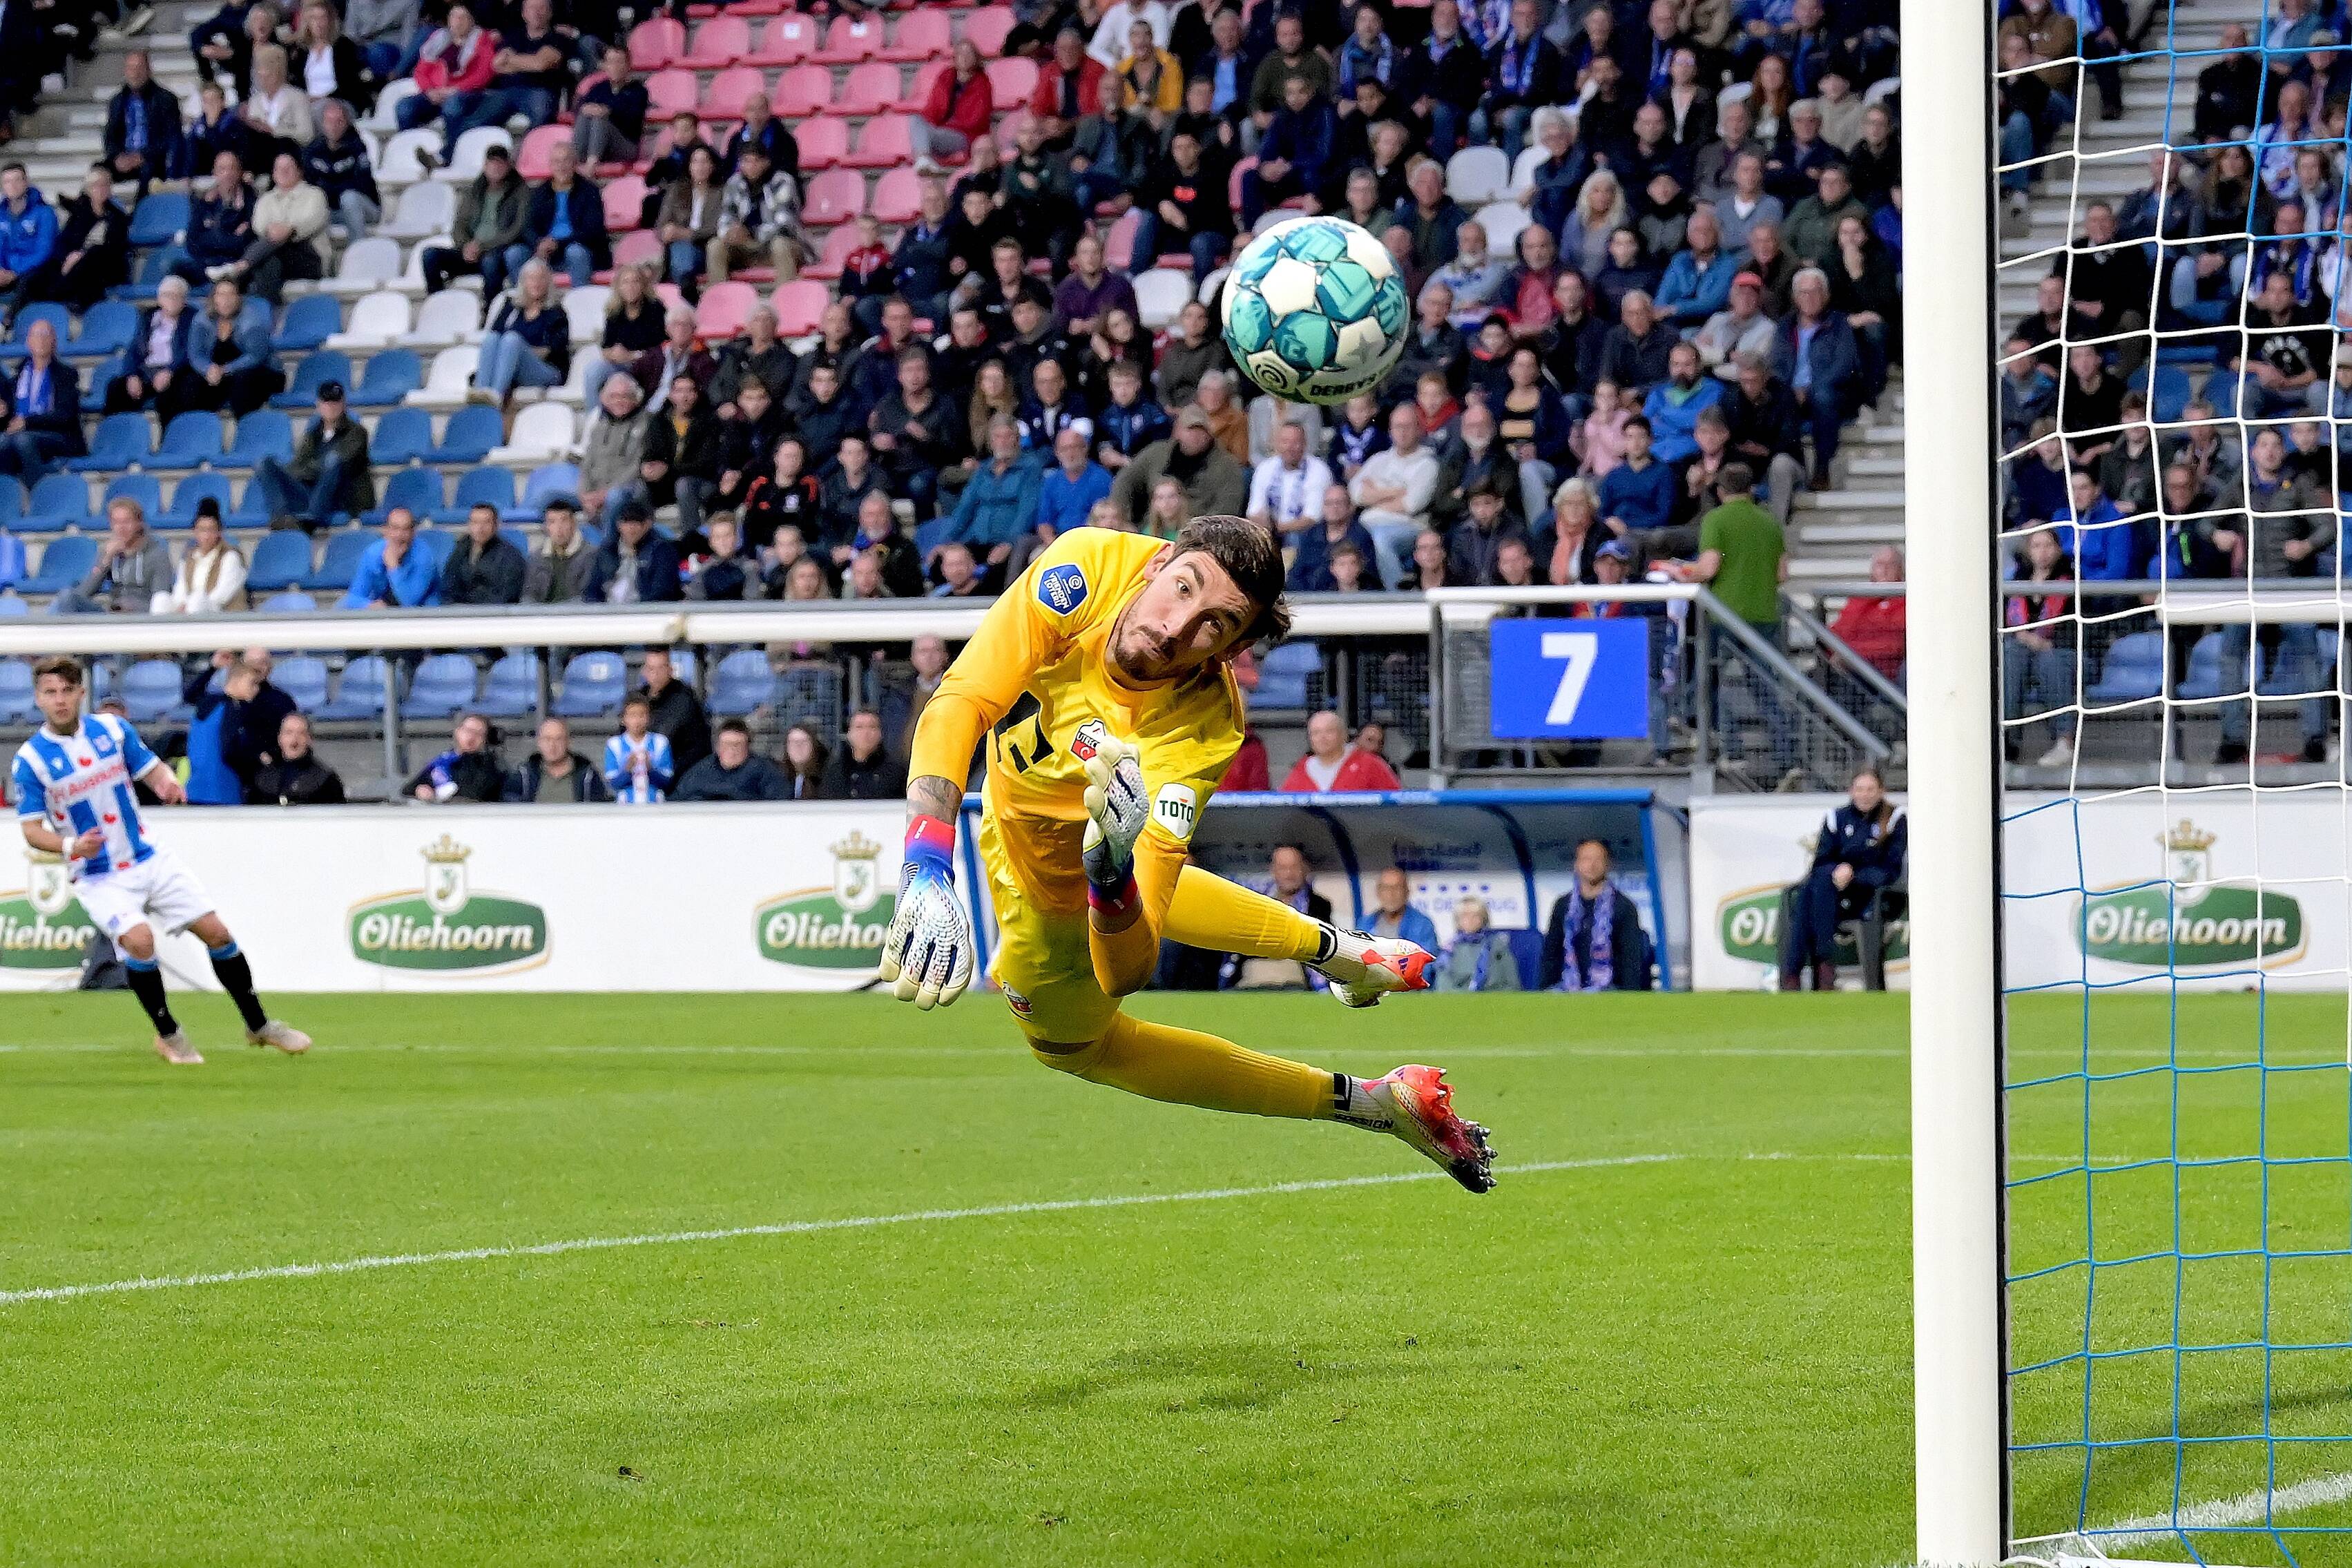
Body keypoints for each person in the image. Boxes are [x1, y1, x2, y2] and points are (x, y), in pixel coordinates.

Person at [878, 519, 1492, 1190]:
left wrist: (1110, 875)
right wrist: (926, 860)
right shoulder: (1085, 569)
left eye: (1213, 626)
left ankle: (1373, 1101)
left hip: (1054, 893)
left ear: (1227, 654)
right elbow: (963, 700)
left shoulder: (1203, 730)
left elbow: (1126, 968)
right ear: (1158, 562)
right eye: (1182, 588)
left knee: (1077, 1048)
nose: (1175, 628)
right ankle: (1347, 952)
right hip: (1006, 810)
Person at [15, 657, 311, 1064]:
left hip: (147, 856)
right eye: (51, 692)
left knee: (218, 934)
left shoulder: (112, 729)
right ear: (38, 698)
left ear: (82, 693)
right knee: (140, 941)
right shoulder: (30, 760)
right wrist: (70, 848)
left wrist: (168, 784)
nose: (60, 700)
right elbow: (31, 829)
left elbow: (150, 771)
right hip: (99, 875)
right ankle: (169, 1034)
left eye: (68, 691)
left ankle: (259, 1026)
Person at [1781, 765, 1907, 992]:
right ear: (1851, 791)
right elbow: (1821, 861)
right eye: (1860, 789)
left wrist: (1852, 874)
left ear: (1881, 792)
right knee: (1817, 885)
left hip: (1873, 896)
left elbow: (1891, 869)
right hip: (1833, 893)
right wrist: (1837, 871)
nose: (1865, 795)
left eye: (1870, 790)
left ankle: (1797, 972)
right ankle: (1822, 965)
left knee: (1812, 893)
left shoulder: (1894, 819)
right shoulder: (1837, 817)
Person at [255, 377, 372, 530]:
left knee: (333, 461)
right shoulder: (313, 434)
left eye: (335, 402)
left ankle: (312, 519)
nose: (331, 406)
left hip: (343, 498)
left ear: (344, 404)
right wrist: (311, 470)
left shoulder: (357, 432)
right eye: (326, 402)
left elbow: (341, 461)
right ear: (319, 405)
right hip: (311, 494)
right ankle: (281, 517)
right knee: (265, 464)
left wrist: (310, 470)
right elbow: (296, 467)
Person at [421, 142, 528, 296]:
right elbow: (459, 225)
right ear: (485, 166)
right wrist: (465, 246)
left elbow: (516, 230)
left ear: (509, 166)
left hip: (497, 252)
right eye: (492, 163)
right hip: (470, 251)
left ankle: (490, 309)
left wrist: (482, 247)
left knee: (490, 262)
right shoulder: (474, 190)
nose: (496, 167)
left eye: (501, 163)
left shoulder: (520, 192)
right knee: (430, 254)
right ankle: (436, 301)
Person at [1539, 839, 1648, 991]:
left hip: (1610, 991)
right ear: (1576, 865)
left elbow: (1631, 961)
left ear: (1608, 865)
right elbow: (1551, 955)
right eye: (1586, 859)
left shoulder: (1624, 907)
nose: (1592, 865)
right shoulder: (1563, 905)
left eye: (1598, 859)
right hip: (1567, 989)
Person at [474, 258, 570, 403]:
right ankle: (481, 393)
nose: (536, 284)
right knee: (491, 338)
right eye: (532, 279)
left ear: (548, 283)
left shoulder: (556, 313)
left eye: (541, 279)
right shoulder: (510, 307)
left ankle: (496, 397)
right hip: (511, 368)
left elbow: (553, 350)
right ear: (523, 282)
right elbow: (496, 338)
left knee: (512, 339)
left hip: (546, 370)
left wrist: (519, 351)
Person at [0, 319, 85, 480]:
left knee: (23, 440)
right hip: (23, 434)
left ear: (54, 341)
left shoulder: (66, 375)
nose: (41, 340)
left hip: (58, 436)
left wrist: (27, 423)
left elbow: (65, 415)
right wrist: (4, 412)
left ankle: (37, 491)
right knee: (4, 442)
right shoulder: (18, 377)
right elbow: (12, 415)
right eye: (36, 335)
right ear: (28, 342)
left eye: (45, 335)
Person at [55, 498, 171, 614]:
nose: (121, 528)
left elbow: (161, 601)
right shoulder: (110, 551)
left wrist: (130, 606)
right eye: (116, 522)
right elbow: (84, 592)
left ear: (139, 523)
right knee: (67, 597)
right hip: (112, 613)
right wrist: (106, 560)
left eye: (126, 522)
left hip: (143, 614)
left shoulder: (157, 554)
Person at [106, 273, 195, 414]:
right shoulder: (148, 317)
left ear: (184, 301)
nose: (171, 300)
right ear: (159, 299)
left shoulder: (192, 319)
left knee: (171, 395)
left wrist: (170, 371)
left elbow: (190, 351)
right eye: (166, 295)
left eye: (176, 296)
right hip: (146, 371)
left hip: (175, 372)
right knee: (117, 388)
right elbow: (133, 349)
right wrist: (132, 375)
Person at [105, 50, 182, 195]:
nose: (135, 73)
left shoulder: (166, 100)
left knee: (149, 171)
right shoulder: (117, 102)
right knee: (98, 171)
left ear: (148, 70)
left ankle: (139, 212)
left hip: (151, 160)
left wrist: (143, 156)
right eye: (131, 68)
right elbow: (110, 137)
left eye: (139, 68)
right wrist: (117, 157)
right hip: (124, 160)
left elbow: (171, 138)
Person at [340, 506, 442, 608]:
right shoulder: (373, 553)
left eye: (405, 529)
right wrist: (369, 605)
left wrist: (393, 566)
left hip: (424, 614)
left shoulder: (425, 556)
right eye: (395, 528)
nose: (399, 535)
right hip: (384, 613)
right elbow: (353, 597)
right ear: (386, 531)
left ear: (413, 533)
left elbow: (409, 602)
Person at [1282, 709, 1402, 792]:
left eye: (1329, 731)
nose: (1322, 738)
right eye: (1316, 733)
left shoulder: (1370, 764)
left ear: (1343, 735)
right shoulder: (1302, 768)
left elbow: (1397, 805)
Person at [151, 510, 247, 612]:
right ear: (195, 532)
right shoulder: (189, 558)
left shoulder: (230, 557)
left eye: (211, 530)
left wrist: (194, 603)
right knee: (160, 599)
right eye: (202, 530)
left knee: (197, 600)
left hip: (221, 610)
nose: (206, 536)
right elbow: (180, 589)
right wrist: (182, 604)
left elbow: (222, 595)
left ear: (219, 533)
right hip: (190, 607)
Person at [633, 647, 710, 775]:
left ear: (670, 670)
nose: (656, 675)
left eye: (661, 668)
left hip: (679, 774)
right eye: (651, 669)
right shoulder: (638, 699)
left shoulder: (685, 700)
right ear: (644, 672)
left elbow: (695, 747)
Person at [674, 719, 791, 802]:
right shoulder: (700, 771)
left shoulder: (765, 771)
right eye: (726, 745)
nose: (731, 750)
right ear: (718, 747)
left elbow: (781, 803)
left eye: (737, 745)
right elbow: (678, 800)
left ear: (748, 747)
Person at [503, 717, 609, 802]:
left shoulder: (588, 776)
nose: (552, 746)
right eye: (547, 739)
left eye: (558, 739)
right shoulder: (524, 775)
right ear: (539, 742)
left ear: (568, 742)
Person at [250, 711, 345, 804]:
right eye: (289, 733)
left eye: (301, 734)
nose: (294, 740)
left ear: (309, 739)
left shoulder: (325, 780)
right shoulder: (262, 779)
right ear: (280, 738)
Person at [440, 503, 525, 604]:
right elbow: (449, 585)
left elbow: (507, 595)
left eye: (486, 523)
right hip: (461, 613)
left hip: (493, 614)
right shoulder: (461, 549)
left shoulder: (510, 556)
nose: (480, 528)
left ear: (496, 525)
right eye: (475, 523)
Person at [1434, 894, 1519, 992]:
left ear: (1484, 918)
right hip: (1459, 1003)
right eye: (1465, 916)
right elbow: (1443, 989)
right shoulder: (1448, 952)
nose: (1470, 920)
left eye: (1476, 916)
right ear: (1458, 920)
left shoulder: (1497, 946)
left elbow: (1513, 985)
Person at [410, 713, 502, 802]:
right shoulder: (444, 761)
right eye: (468, 731)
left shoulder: (488, 765)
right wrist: (420, 791)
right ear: (458, 731)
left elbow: (475, 793)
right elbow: (408, 790)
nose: (471, 737)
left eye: (479, 734)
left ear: (485, 740)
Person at [821, 708, 908, 800]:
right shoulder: (835, 771)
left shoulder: (896, 772)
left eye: (872, 727)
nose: (866, 733)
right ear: (849, 734)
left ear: (880, 734)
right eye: (859, 727)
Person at [603, 695, 674, 803]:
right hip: (625, 807)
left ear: (649, 718)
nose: (637, 721)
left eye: (642, 715)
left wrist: (650, 769)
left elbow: (666, 782)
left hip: (656, 806)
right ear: (623, 719)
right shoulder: (614, 744)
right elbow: (614, 784)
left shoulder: (661, 742)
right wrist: (627, 770)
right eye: (632, 716)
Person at [521, 501, 595, 603]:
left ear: (573, 524)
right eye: (552, 522)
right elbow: (529, 595)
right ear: (546, 527)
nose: (559, 528)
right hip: (541, 616)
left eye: (564, 521)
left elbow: (587, 598)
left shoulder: (590, 556)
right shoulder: (537, 558)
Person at [1366, 867, 1440, 953]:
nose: (1391, 894)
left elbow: (1427, 962)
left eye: (1396, 888)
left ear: (1407, 892)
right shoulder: (1365, 923)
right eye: (1386, 888)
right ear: (1378, 892)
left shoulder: (1422, 925)